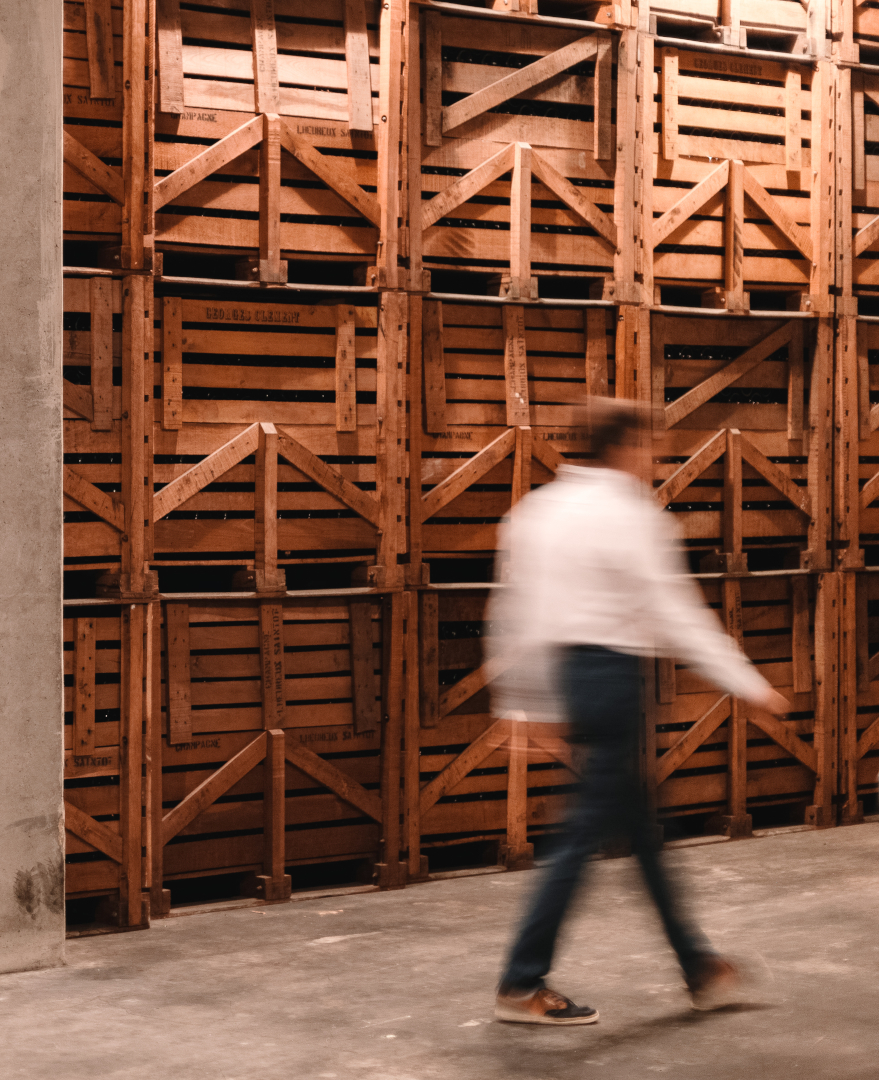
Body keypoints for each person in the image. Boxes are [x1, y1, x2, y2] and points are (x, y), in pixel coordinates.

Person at [488, 399, 789, 1025]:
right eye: (650, 444)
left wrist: (523, 703)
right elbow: (676, 613)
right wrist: (748, 684)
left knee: (642, 833)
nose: (657, 457)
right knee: (581, 837)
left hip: (572, 676)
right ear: (623, 445)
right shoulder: (631, 516)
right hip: (614, 681)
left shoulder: (537, 512)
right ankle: (520, 982)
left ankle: (699, 967)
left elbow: (516, 614)